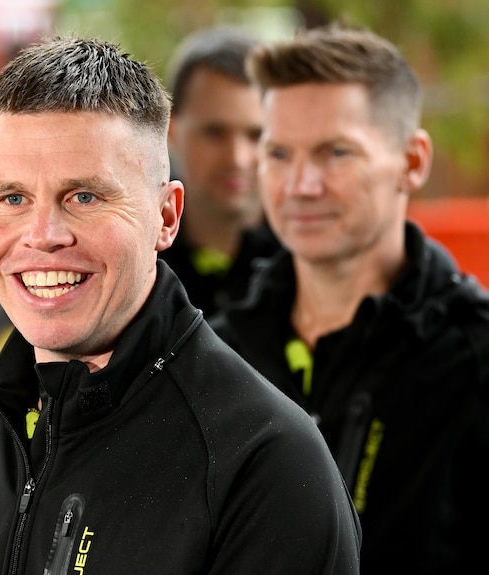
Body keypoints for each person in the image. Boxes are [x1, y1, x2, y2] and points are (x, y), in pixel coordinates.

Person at [0, 35, 361, 574]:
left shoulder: (264, 458)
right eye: (13, 198)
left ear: (166, 217)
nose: (42, 235)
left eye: (84, 196)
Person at [208, 22, 489, 574]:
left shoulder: (474, 360)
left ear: (412, 161)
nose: (301, 185)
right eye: (280, 153)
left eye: (336, 152)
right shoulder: (215, 355)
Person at [160, 26, 281, 316]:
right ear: (171, 131)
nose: (237, 159)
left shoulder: (314, 260)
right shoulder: (135, 261)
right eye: (215, 132)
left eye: (257, 135)